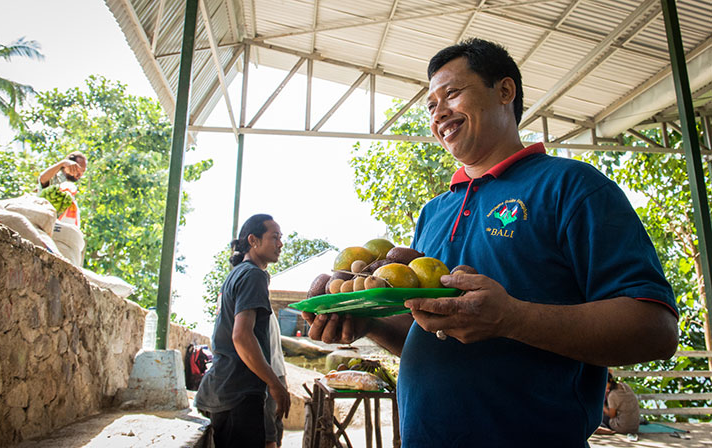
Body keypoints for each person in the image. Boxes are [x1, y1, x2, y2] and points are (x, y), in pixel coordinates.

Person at [303, 38, 679, 447]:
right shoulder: (434, 212)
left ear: (505, 91)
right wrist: (370, 322)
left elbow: (655, 329)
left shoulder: (573, 187)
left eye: (452, 93)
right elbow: (433, 331)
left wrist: (511, 317)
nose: (438, 112)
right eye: (430, 105)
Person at [195, 214, 291, 447]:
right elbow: (241, 336)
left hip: (224, 390)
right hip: (239, 394)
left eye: (281, 238)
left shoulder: (237, 274)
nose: (280, 244)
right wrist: (275, 384)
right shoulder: (253, 275)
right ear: (253, 240)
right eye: (274, 237)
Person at [38, 152, 88, 225]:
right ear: (69, 165)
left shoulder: (71, 187)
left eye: (83, 171)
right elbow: (42, 179)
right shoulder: (55, 177)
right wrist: (62, 163)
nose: (80, 174)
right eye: (78, 169)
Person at [265, 313, 287, 448]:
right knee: (271, 432)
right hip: (273, 376)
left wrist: (279, 383)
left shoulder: (265, 309)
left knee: (269, 435)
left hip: (269, 377)